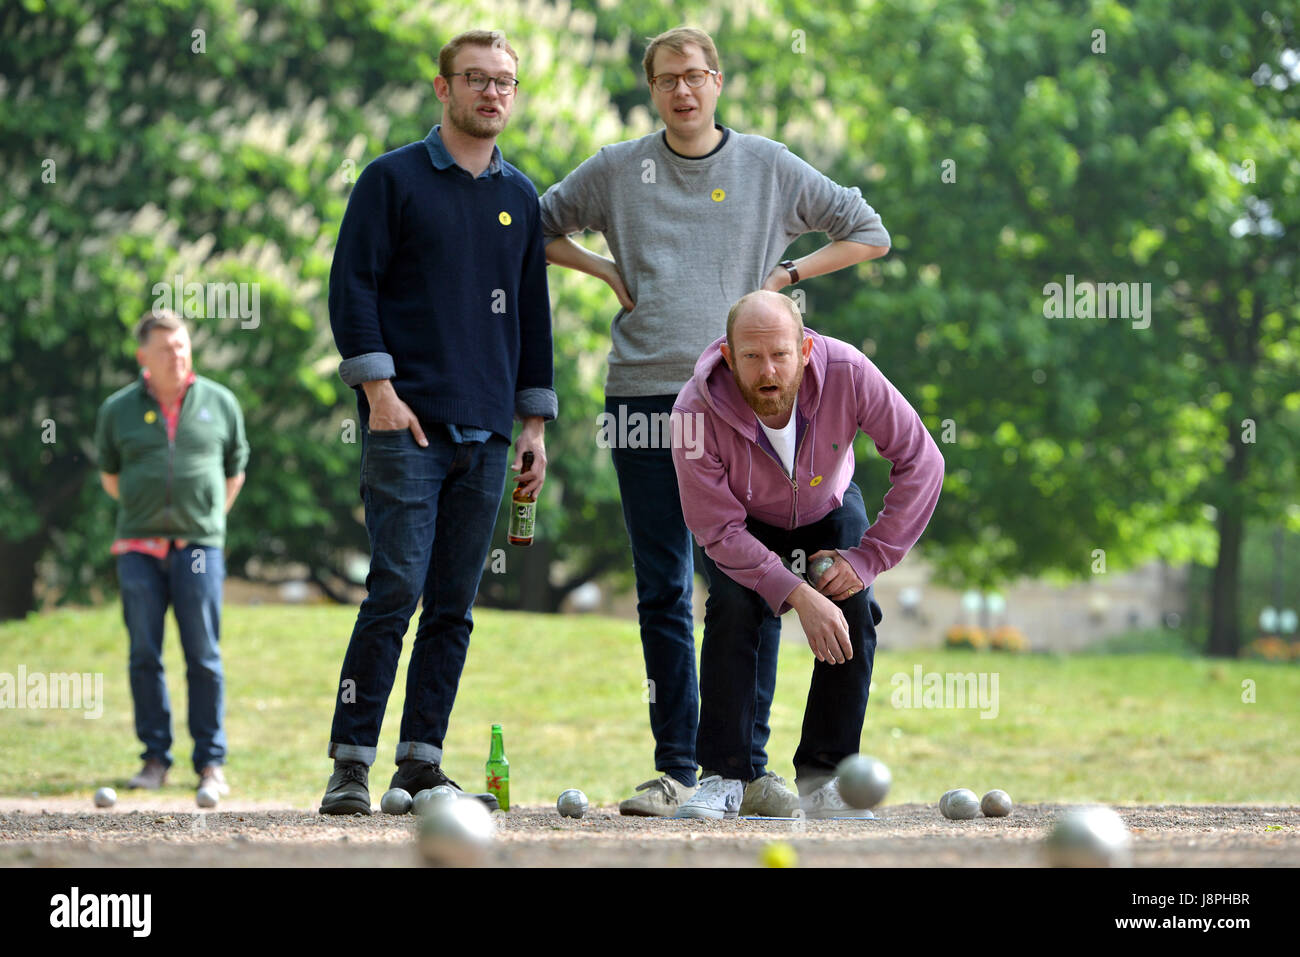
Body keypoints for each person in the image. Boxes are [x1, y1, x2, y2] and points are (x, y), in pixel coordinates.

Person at [539, 26, 891, 816]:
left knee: (742, 581)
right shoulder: (615, 170)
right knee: (661, 586)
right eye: (666, 80)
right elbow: (535, 222)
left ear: (718, 82)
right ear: (652, 89)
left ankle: (747, 768)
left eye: (695, 77)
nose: (682, 92)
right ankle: (677, 770)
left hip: (740, 403)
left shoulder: (766, 165)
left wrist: (789, 272)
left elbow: (870, 231)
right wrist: (599, 266)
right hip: (641, 400)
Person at [319, 29, 555, 815]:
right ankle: (350, 763)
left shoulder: (520, 198)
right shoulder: (390, 180)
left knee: (454, 603)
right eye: (477, 79)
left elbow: (532, 317)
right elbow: (352, 289)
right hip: (406, 425)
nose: (492, 94)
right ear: (441, 88)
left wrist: (533, 424)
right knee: (395, 587)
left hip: (489, 431)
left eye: (505, 83)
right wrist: (380, 392)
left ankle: (419, 762)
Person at [670, 291, 943, 819]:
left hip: (829, 505)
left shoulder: (849, 372)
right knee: (732, 610)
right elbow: (714, 527)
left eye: (780, 354)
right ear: (728, 356)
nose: (766, 370)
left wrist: (868, 559)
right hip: (742, 524)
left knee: (855, 609)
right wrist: (795, 592)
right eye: (750, 357)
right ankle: (727, 775)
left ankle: (825, 780)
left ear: (807, 349)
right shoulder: (692, 411)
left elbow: (922, 460)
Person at [95, 309, 248, 804]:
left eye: (181, 345)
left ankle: (210, 762)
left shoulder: (221, 402)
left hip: (200, 548)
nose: (176, 355)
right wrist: (149, 514)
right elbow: (110, 476)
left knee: (203, 655)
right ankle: (155, 758)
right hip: (137, 547)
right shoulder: (117, 409)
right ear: (143, 356)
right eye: (164, 348)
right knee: (145, 653)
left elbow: (235, 469)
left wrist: (203, 521)